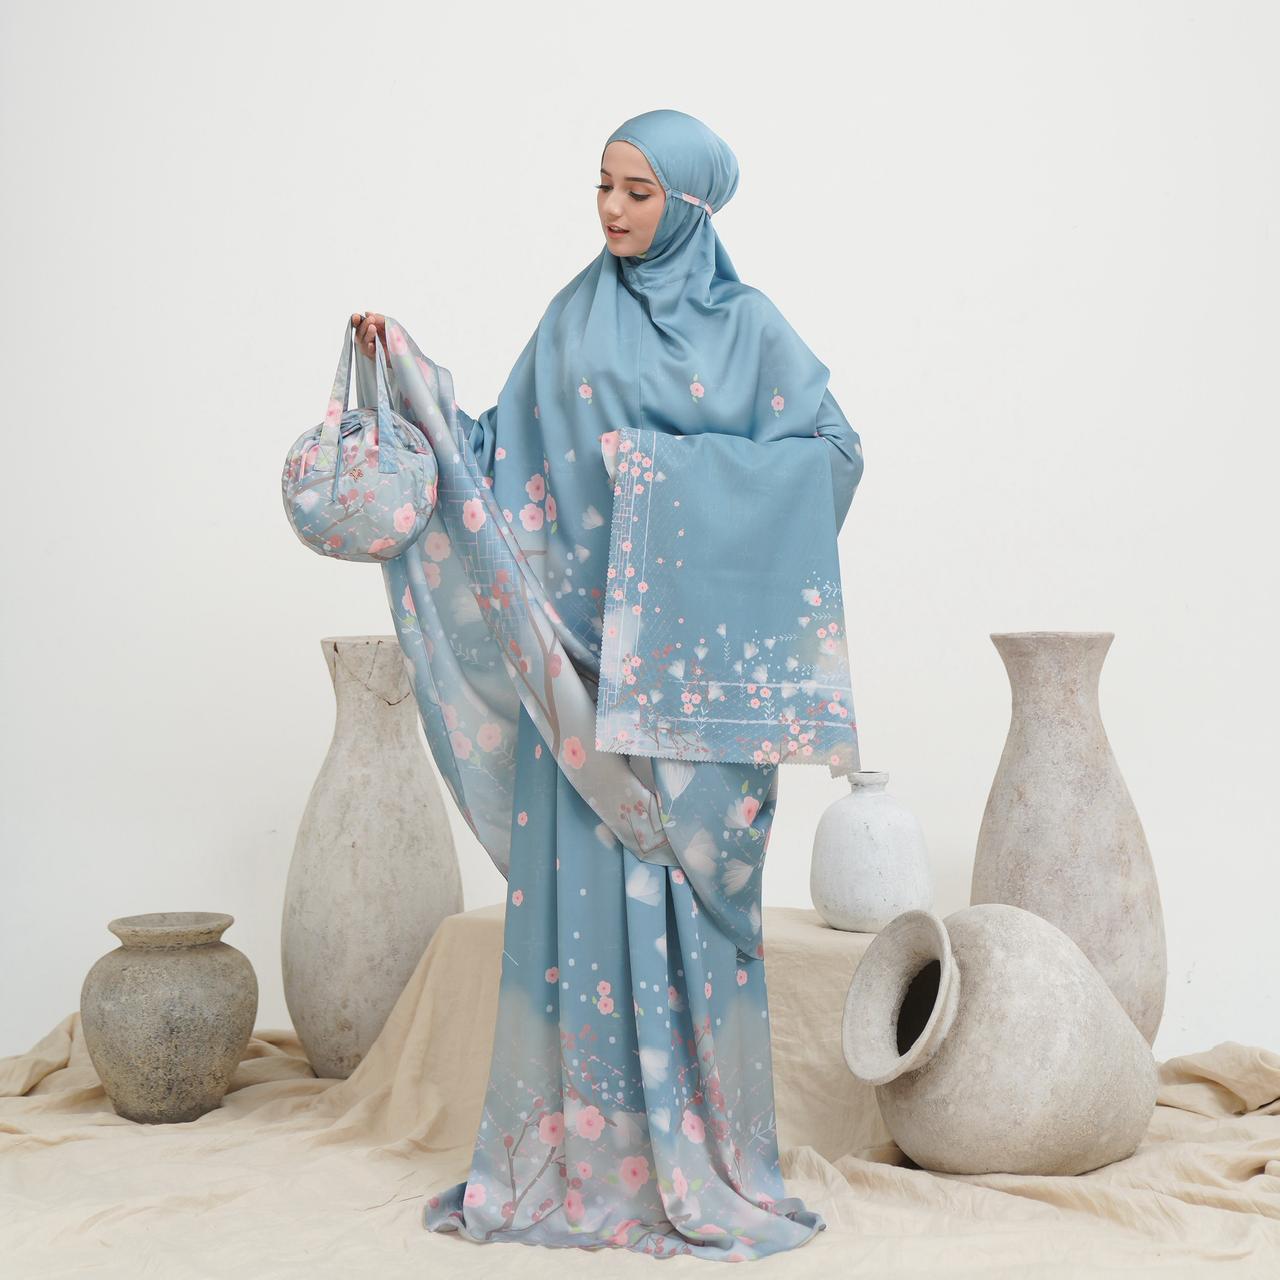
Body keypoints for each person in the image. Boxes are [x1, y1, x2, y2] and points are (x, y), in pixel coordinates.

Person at [347, 108, 865, 1261]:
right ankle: (583, 1160)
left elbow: (830, 457)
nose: (614, 210)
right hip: (576, 684)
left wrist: (666, 492)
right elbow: (493, 458)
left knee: (688, 906)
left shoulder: (747, 328)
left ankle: (705, 1157)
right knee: (576, 913)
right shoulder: (572, 317)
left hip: (686, 681)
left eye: (638, 192)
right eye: (603, 185)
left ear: (689, 205)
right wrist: (406, 378)